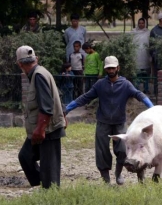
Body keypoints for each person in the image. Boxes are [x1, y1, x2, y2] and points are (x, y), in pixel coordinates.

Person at [65, 56, 154, 185]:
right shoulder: (100, 85)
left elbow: (139, 94)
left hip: (119, 122)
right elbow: (84, 98)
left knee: (123, 150)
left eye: (113, 68)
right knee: (102, 151)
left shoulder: (125, 84)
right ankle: (106, 179)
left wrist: (152, 108)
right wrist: (67, 109)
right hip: (103, 122)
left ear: (118, 68)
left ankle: (118, 175)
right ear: (105, 69)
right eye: (108, 68)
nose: (111, 70)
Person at [16, 45, 66, 189]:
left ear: (20, 64)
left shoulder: (38, 75)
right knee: (25, 156)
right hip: (42, 127)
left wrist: (40, 129)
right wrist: (63, 113)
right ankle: (41, 185)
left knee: (50, 168)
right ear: (36, 59)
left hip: (47, 129)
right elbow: (56, 94)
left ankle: (50, 192)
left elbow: (47, 106)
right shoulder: (40, 72)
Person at [149, 12, 162, 94]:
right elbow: (151, 45)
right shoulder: (154, 31)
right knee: (156, 75)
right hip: (157, 57)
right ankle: (156, 93)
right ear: (161, 19)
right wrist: (153, 56)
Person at [132, 17, 151, 94]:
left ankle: (146, 89)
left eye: (142, 23)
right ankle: (136, 90)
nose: (141, 24)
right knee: (136, 74)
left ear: (145, 24)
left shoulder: (148, 33)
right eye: (139, 23)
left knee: (146, 74)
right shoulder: (133, 32)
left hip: (145, 55)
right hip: (136, 56)